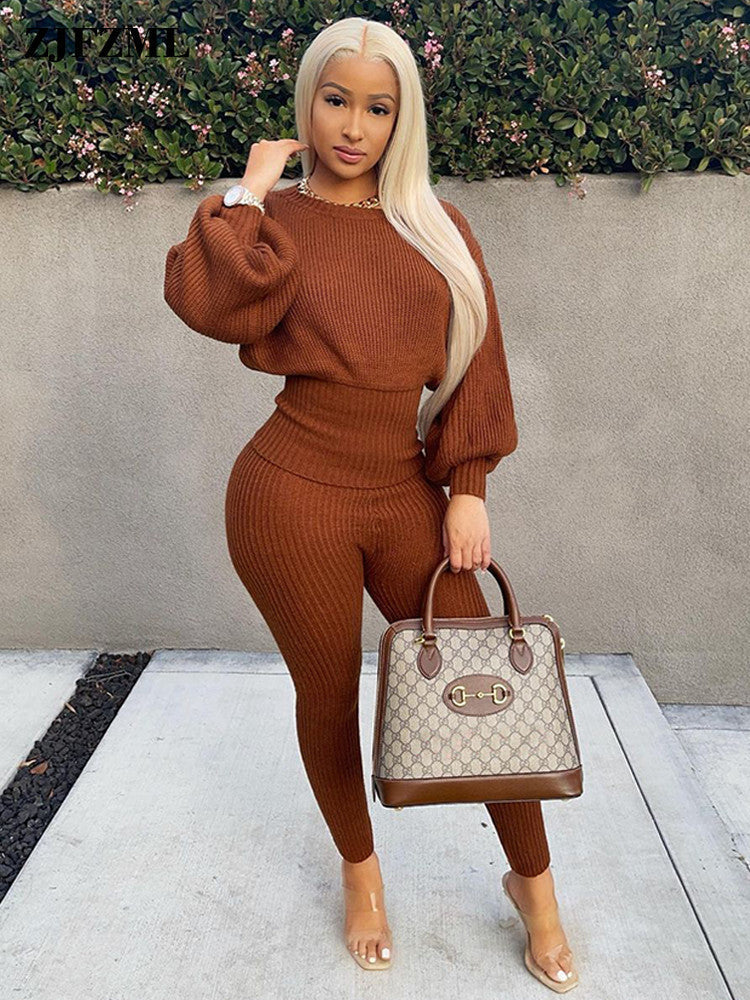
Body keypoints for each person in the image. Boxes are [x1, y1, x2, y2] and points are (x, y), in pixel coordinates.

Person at [163, 16, 578, 992]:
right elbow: (210, 302)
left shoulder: (437, 227)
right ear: (307, 103)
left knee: (481, 690)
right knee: (328, 697)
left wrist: (467, 489)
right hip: (285, 497)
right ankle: (361, 872)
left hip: (404, 493)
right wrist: (247, 192)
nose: (354, 125)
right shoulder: (276, 223)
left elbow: (478, 363)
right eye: (336, 99)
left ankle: (536, 887)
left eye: (378, 107)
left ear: (403, 119)